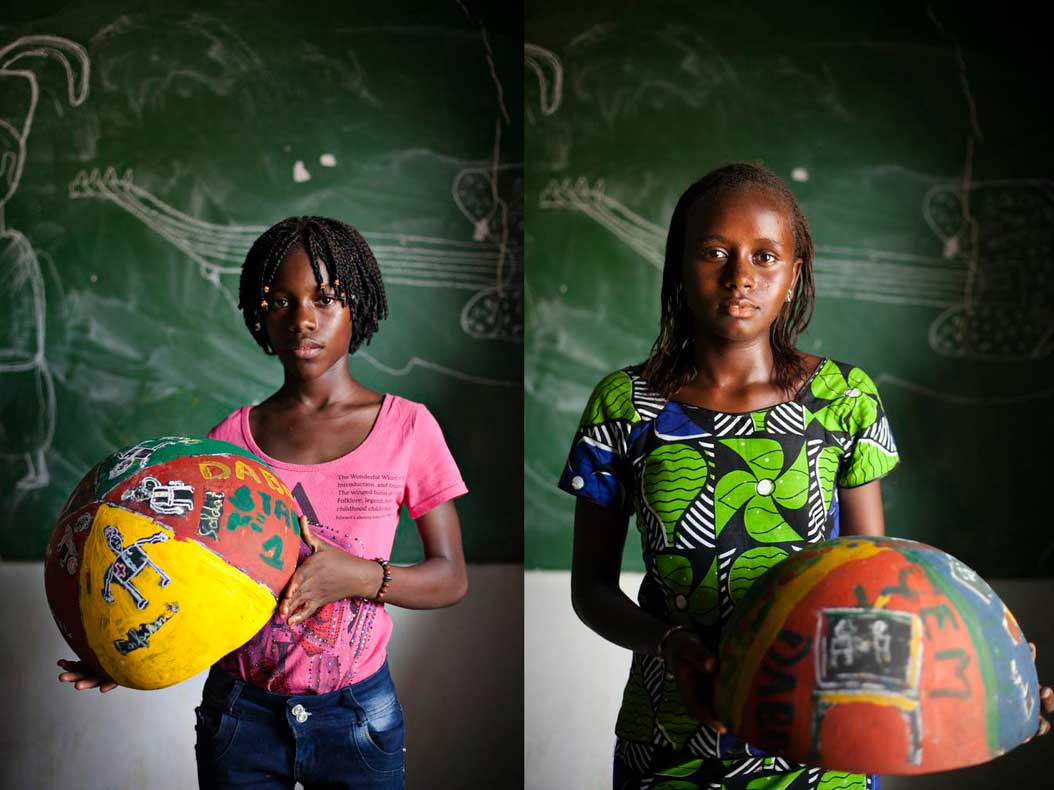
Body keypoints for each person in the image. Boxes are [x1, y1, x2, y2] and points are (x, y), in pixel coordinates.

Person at [558, 163, 1053, 789]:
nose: (741, 277)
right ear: (680, 268)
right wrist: (672, 644)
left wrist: (992, 674)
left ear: (793, 276)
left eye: (766, 257)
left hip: (825, 739)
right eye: (715, 252)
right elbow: (591, 592)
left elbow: (876, 580)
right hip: (672, 737)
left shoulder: (845, 398)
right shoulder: (625, 404)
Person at [59, 216, 469, 789]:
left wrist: (354, 576)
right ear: (259, 314)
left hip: (355, 716)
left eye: (326, 299)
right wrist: (129, 642)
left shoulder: (407, 428)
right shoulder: (229, 442)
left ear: (361, 308)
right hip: (241, 715)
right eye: (279, 300)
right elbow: (187, 574)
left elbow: (450, 579)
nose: (302, 318)